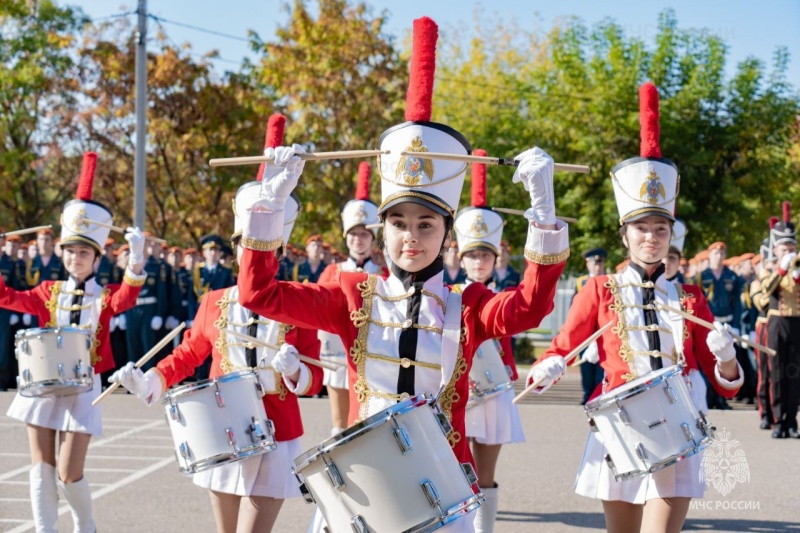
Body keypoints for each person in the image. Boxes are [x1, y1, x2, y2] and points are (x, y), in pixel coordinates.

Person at [234, 17, 568, 532]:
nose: (410, 236)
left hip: (443, 485)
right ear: (381, 229)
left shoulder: (470, 302)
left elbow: (530, 308)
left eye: (425, 224)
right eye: (398, 223)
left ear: (445, 234)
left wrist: (542, 214)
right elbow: (257, 293)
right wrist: (269, 207)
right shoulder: (351, 293)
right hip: (366, 483)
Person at [530, 83, 742, 533]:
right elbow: (562, 346)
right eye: (641, 228)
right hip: (620, 427)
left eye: (660, 229)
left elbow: (726, 387)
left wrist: (726, 359)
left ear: (671, 237)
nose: (651, 237)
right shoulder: (600, 289)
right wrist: (548, 366)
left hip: (679, 425)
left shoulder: (689, 298)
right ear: (625, 235)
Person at [110, 145, 323, 532]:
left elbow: (316, 376)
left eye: (266, 245)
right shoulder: (214, 301)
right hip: (223, 425)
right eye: (245, 243)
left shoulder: (299, 300)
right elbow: (190, 352)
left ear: (278, 250)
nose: (253, 251)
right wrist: (151, 379)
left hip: (277, 430)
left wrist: (297, 373)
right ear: (236, 247)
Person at [4, 153, 146, 533]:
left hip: (84, 387)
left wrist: (135, 266)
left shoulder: (104, 295)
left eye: (84, 253)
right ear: (62, 253)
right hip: (42, 387)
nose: (76, 258)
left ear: (96, 258)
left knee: (68, 472)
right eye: (70, 251)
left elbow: (126, 299)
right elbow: (8, 297)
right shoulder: (47, 291)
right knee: (41, 466)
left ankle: (85, 523)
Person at [452, 152, 524, 533]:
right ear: (461, 258)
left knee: (486, 472)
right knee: (456, 467)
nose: (479, 261)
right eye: (473, 254)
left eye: (485, 254)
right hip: (457, 388)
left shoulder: (508, 293)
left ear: (496, 258)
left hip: (494, 391)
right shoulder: (447, 294)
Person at [316, 161, 387, 436]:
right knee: (338, 425)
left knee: (365, 424)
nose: (358, 239)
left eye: (364, 234)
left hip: (372, 354)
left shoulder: (383, 273)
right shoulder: (331, 271)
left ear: (372, 237)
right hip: (336, 351)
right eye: (354, 234)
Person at [755, 202, 800, 439]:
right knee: (777, 373)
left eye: (792, 247)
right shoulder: (768, 271)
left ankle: (792, 421)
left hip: (797, 324)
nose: (789, 252)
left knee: (794, 374)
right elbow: (766, 292)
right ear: (777, 251)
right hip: (776, 323)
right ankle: (777, 421)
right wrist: (781, 270)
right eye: (785, 249)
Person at [697, 241, 753, 407]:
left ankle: (722, 399)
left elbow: (737, 304)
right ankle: (711, 398)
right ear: (710, 255)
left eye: (722, 253)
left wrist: (736, 325)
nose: (719, 256)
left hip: (727, 323)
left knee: (726, 361)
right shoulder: (702, 276)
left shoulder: (732, 276)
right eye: (716, 253)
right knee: (709, 360)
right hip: (709, 324)